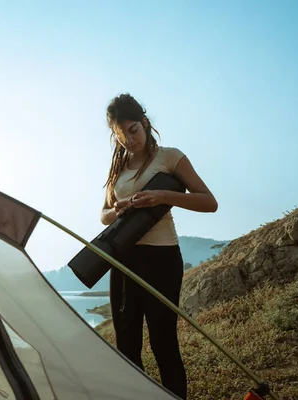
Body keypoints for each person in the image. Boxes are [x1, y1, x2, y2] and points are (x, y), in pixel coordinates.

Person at [100, 93, 218, 400]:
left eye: (133, 129)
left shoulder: (169, 157)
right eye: (120, 134)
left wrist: (163, 197)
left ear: (145, 123)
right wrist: (119, 209)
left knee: (163, 342)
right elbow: (104, 215)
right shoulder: (118, 167)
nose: (129, 139)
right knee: (126, 344)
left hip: (162, 258)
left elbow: (209, 202)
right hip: (123, 260)